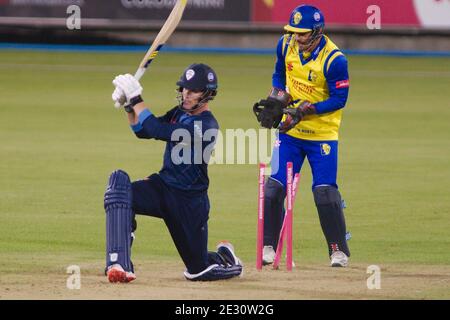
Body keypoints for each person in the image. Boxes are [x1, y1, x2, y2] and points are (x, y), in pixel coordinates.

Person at [104, 63, 243, 282]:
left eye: (193, 91)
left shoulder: (207, 126)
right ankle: (119, 263)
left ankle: (227, 258)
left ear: (208, 94)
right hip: (163, 186)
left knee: (198, 270)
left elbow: (156, 130)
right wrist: (129, 106)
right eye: (184, 89)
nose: (186, 95)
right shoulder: (179, 113)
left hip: (189, 201)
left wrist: (136, 98)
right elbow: (143, 131)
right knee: (119, 187)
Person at [253, 5, 351, 267]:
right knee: (273, 188)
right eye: (294, 32)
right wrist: (277, 97)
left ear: (318, 32)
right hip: (290, 131)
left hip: (322, 135)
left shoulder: (335, 59)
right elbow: (279, 73)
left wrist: (308, 110)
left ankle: (337, 250)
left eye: (303, 33)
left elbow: (340, 98)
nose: (297, 37)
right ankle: (270, 246)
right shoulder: (285, 45)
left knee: (324, 192)